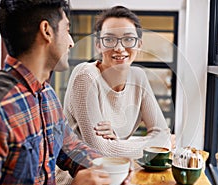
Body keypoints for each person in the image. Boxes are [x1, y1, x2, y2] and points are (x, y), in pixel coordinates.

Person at [0, 1, 132, 185]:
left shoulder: (47, 95)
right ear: (46, 31)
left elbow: (70, 148)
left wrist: (110, 170)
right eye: (67, 29)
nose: (71, 42)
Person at [63, 5, 174, 159]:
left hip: (115, 172)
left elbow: (162, 132)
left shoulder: (138, 77)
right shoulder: (86, 76)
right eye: (109, 39)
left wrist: (116, 141)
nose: (119, 48)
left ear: (139, 45)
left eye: (128, 39)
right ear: (98, 45)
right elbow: (99, 150)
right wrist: (160, 144)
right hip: (78, 177)